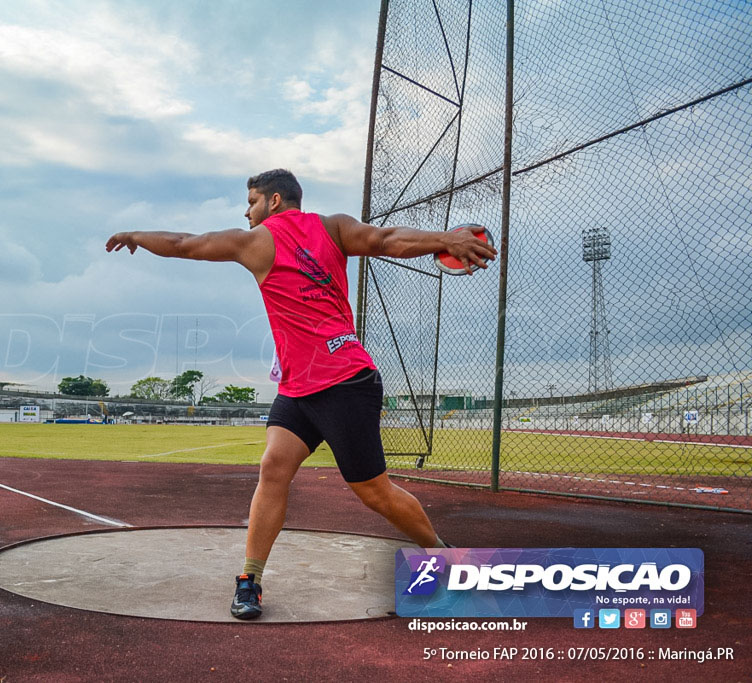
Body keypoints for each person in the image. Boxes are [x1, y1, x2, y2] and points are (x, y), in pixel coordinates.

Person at [106, 169, 496, 620]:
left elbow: (184, 244)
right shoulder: (320, 228)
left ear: (273, 201)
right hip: (297, 387)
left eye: (250, 201)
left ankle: (447, 558)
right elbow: (388, 239)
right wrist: (443, 238)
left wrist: (137, 233)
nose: (245, 211)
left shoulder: (311, 232)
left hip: (345, 381)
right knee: (273, 467)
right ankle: (248, 580)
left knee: (374, 493)